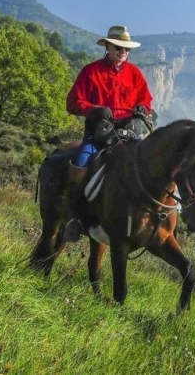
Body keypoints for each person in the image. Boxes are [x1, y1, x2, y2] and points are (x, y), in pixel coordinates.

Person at [61, 25, 154, 242]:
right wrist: (93, 109)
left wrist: (142, 107)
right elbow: (72, 102)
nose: (123, 52)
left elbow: (146, 99)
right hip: (98, 134)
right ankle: (74, 216)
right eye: (119, 47)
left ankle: (149, 220)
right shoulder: (91, 71)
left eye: (127, 49)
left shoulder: (135, 73)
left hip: (129, 135)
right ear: (108, 47)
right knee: (81, 161)